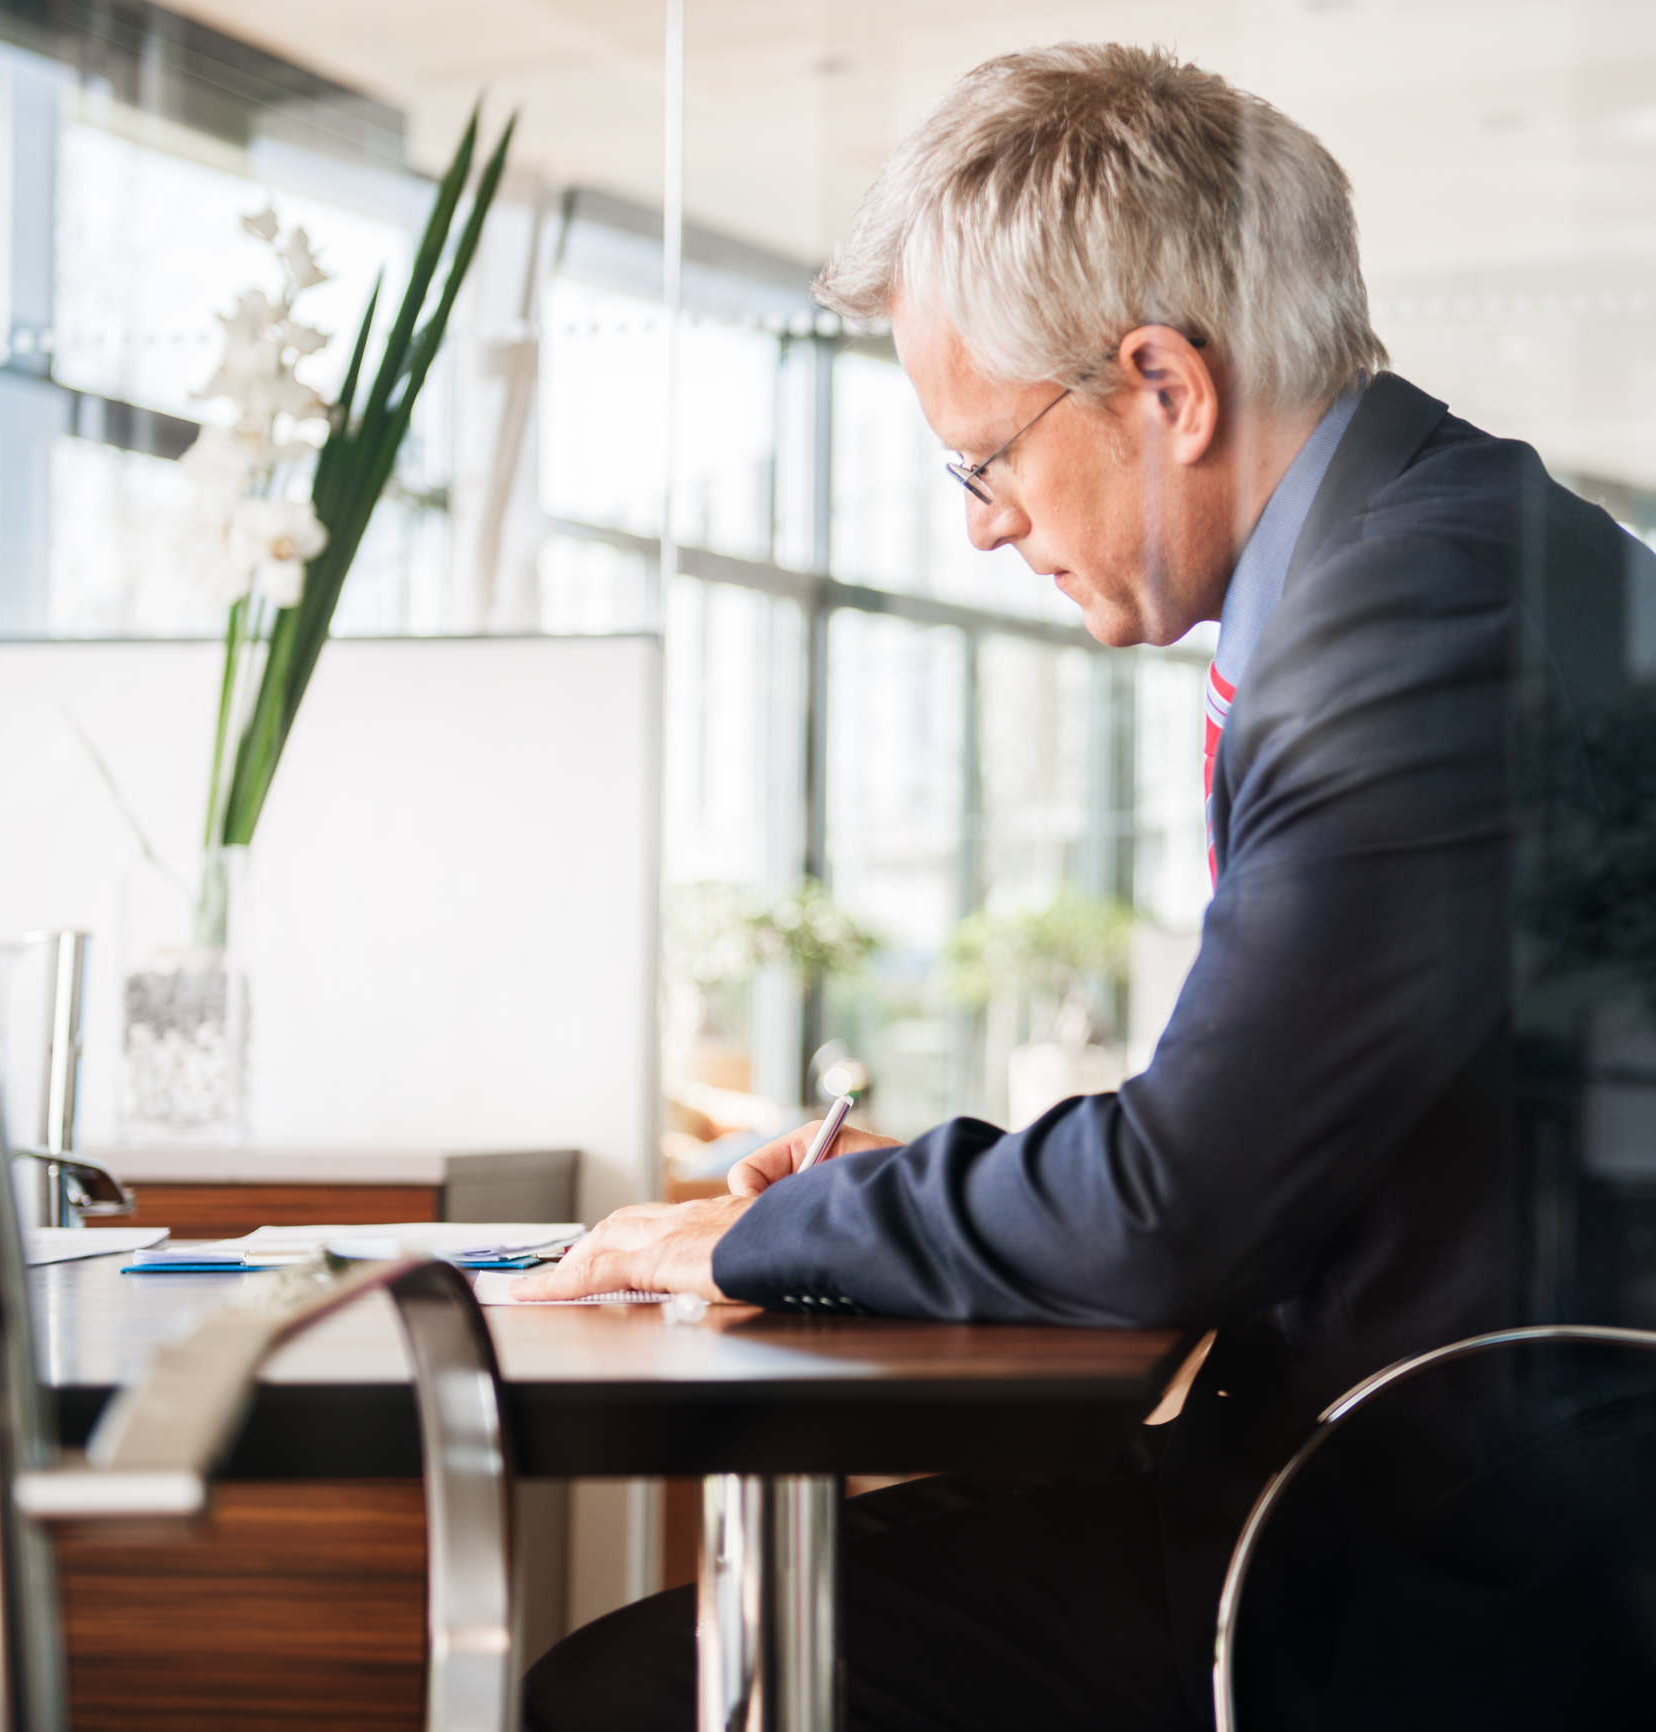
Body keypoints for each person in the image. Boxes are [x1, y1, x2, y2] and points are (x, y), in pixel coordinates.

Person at [518, 41, 1656, 1732]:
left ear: (1165, 386)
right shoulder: (1446, 552)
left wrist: (773, 1230)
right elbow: (1266, 1135)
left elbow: (1180, 1204)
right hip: (1437, 1472)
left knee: (650, 1691)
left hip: (1461, 1554)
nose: (981, 527)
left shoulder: (1421, 624)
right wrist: (924, 1196)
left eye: (984, 458)